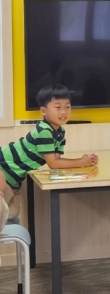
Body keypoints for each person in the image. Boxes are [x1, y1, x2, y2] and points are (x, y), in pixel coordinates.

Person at [0, 85, 98, 219]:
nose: (63, 112)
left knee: (10, 213)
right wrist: (81, 162)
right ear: (43, 111)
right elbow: (53, 163)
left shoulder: (60, 132)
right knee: (5, 215)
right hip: (3, 169)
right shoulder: (44, 131)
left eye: (67, 107)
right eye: (58, 107)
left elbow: (57, 160)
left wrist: (83, 161)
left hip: (12, 177)